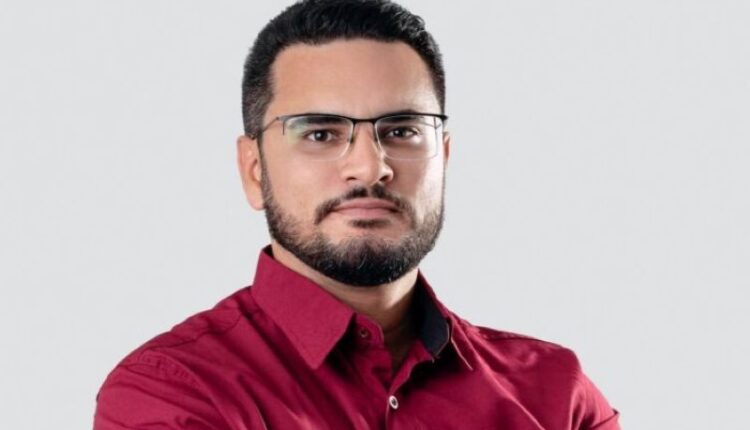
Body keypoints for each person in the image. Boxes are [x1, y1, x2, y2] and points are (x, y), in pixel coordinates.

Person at [94, 1, 620, 428]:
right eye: (320, 133)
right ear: (254, 170)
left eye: (403, 130)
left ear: (444, 158)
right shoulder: (173, 392)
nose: (370, 167)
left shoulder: (555, 396)